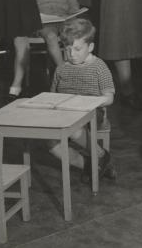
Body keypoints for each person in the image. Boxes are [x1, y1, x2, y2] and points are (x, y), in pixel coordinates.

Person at [49, 18, 115, 179]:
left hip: (93, 113)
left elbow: (109, 98)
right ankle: (89, 166)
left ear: (90, 47)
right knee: (51, 144)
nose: (72, 54)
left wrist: (89, 102)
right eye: (67, 49)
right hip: (66, 113)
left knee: (73, 128)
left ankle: (100, 155)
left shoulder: (99, 67)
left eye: (78, 49)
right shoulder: (62, 68)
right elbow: (52, 95)